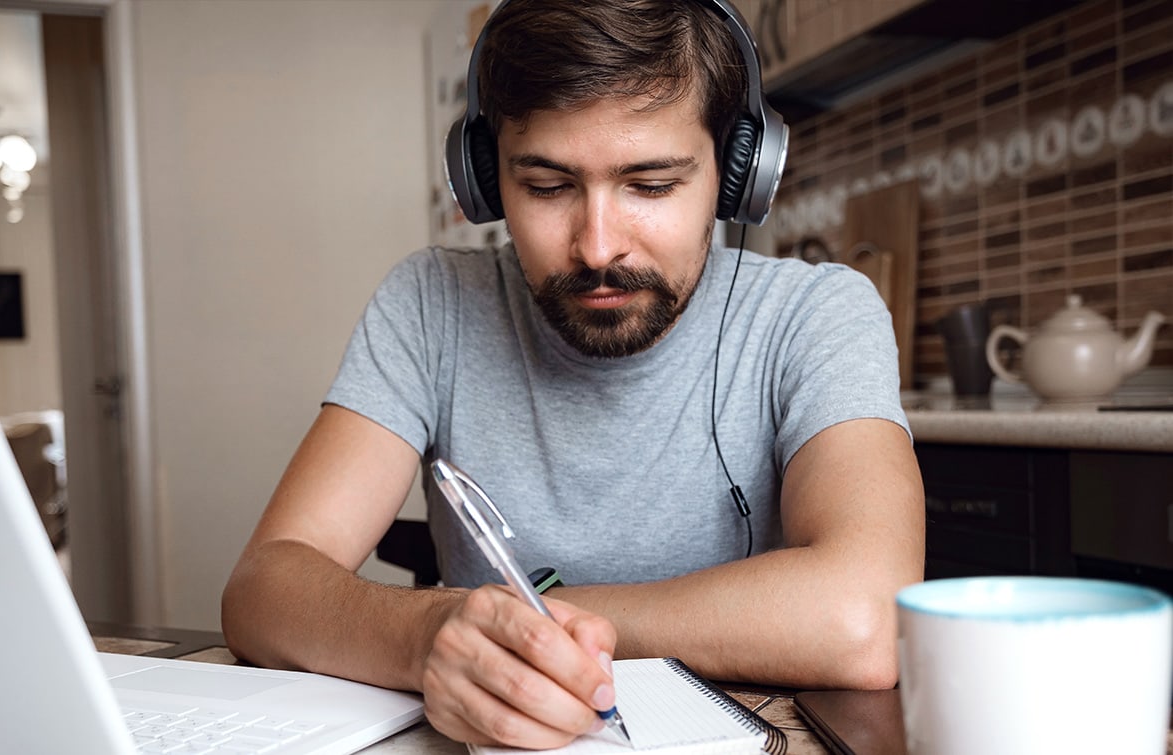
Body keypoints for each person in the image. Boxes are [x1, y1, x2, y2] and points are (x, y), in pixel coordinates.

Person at [221, 0, 925, 749]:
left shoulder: (818, 312)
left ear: (735, 172)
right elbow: (264, 589)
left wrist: (520, 622)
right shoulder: (430, 303)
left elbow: (864, 616)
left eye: (650, 185)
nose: (597, 247)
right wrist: (431, 630)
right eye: (548, 186)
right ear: (487, 181)